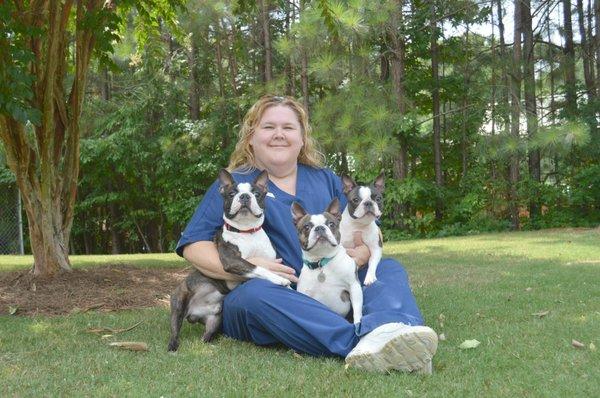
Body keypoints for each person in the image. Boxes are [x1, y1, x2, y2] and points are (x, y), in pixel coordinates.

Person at [176, 95, 438, 373]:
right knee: (255, 297)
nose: (279, 134)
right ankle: (360, 342)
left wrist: (361, 254)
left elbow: (365, 227)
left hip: (334, 280)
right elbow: (193, 245)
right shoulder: (235, 184)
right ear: (251, 137)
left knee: (387, 268)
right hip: (271, 292)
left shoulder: (324, 178)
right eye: (268, 127)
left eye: (288, 128)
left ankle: (400, 330)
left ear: (302, 138)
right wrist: (248, 269)